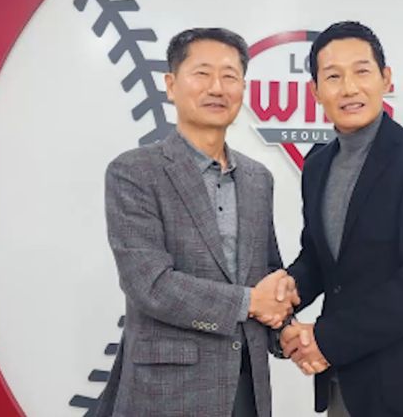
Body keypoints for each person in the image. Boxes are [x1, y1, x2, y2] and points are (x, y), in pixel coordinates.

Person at [97, 27, 299, 417]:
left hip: (247, 387)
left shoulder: (258, 178)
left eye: (229, 76)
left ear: (243, 88)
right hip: (167, 392)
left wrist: (286, 329)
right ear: (171, 85)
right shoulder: (134, 172)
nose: (217, 88)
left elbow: (266, 274)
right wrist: (249, 302)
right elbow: (150, 284)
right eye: (202, 73)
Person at [280, 21, 403, 417]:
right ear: (315, 92)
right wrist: (286, 291)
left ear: (385, 78)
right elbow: (319, 260)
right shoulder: (317, 164)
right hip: (342, 382)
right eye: (333, 76)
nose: (349, 88)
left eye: (361, 71)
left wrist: (327, 339)